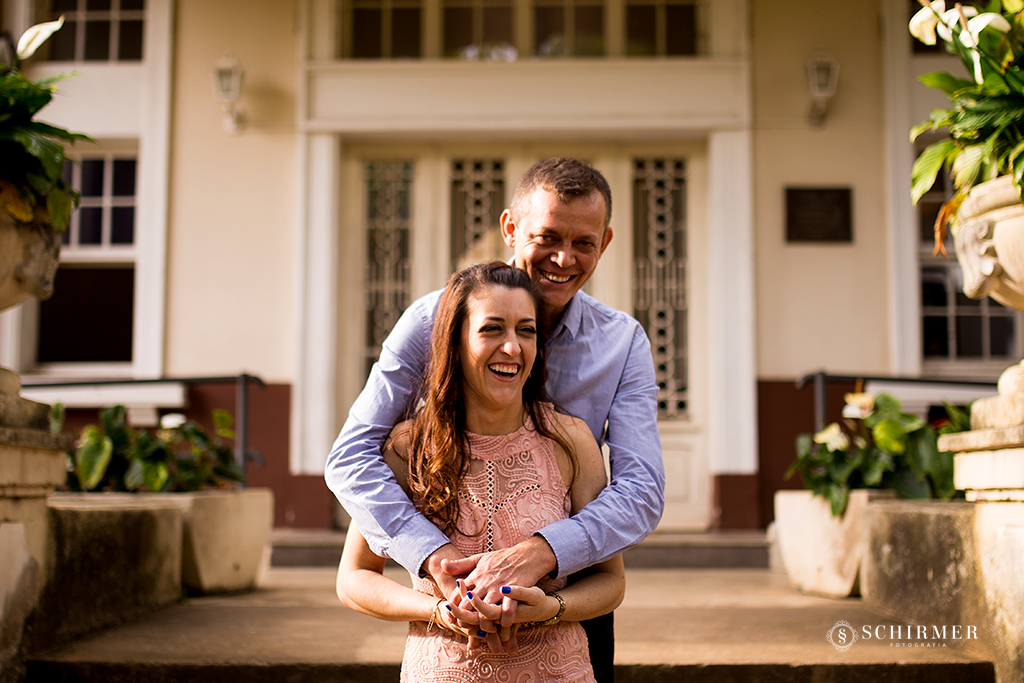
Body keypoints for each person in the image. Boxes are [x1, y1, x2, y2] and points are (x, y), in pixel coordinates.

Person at [326, 157, 664, 681]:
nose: (563, 258)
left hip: (571, 610)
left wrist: (545, 552)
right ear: (510, 227)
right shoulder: (430, 322)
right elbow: (352, 458)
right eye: (548, 236)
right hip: (449, 624)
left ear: (606, 242)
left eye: (584, 243)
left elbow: (642, 490)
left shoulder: (623, 343)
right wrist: (432, 556)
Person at [337, 261, 625, 682]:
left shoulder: (573, 442)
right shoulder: (407, 447)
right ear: (454, 342)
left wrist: (551, 609)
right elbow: (354, 579)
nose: (512, 347)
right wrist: (439, 611)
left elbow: (611, 582)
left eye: (526, 330)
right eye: (492, 329)